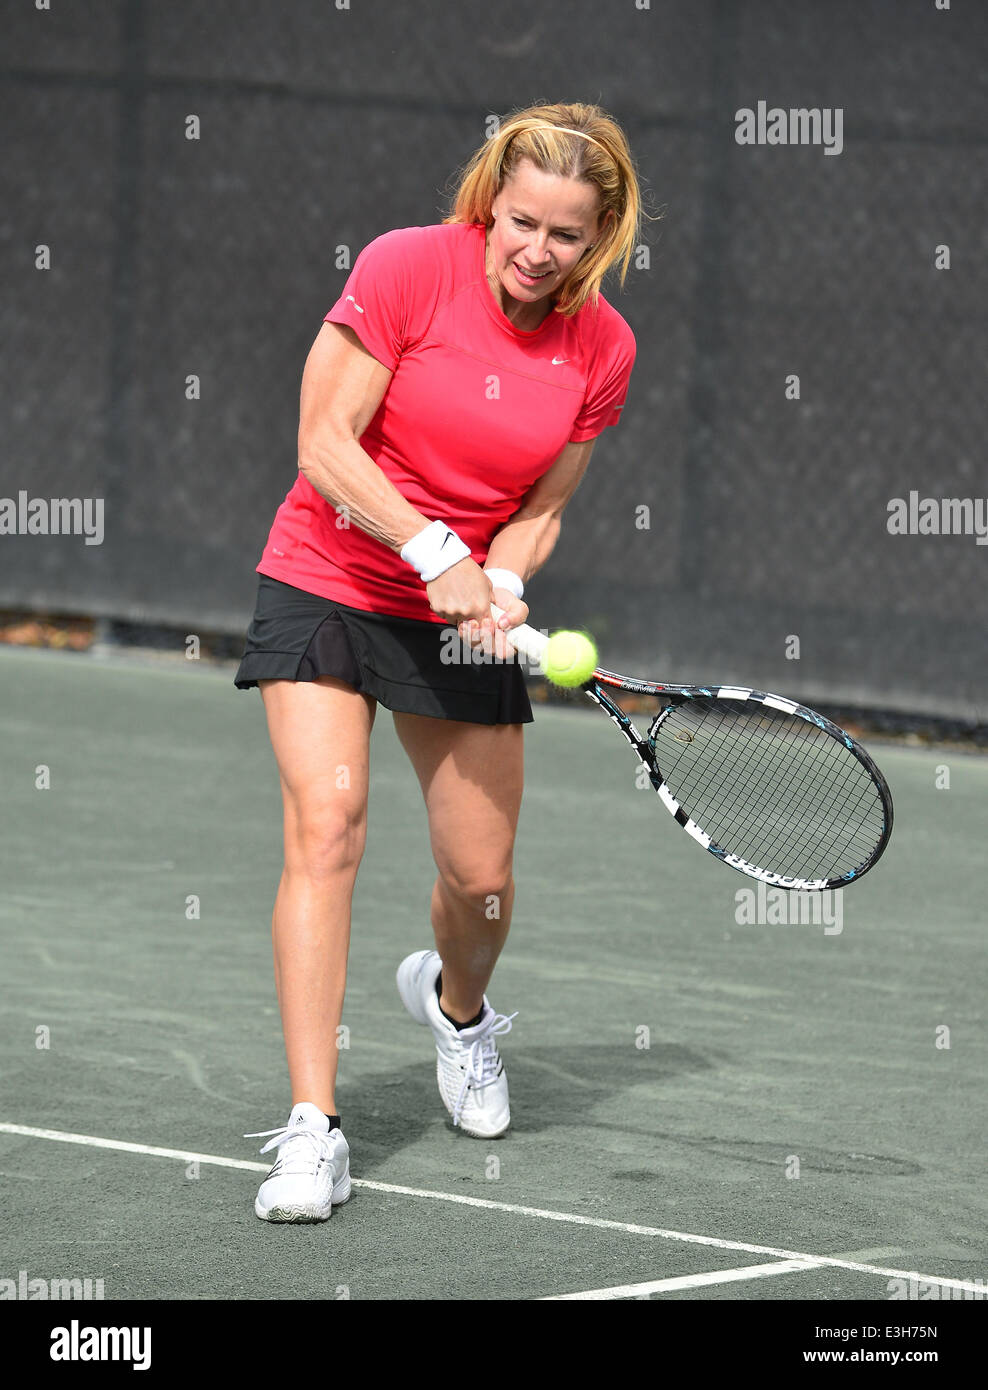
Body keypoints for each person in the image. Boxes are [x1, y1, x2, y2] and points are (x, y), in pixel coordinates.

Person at [235, 100, 643, 1223]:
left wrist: (500, 585)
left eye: (565, 234)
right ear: (490, 200)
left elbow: (544, 505)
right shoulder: (407, 268)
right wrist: (429, 548)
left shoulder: (600, 346)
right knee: (328, 819)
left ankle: (457, 1013)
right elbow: (323, 444)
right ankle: (314, 1130)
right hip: (331, 574)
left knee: (480, 877)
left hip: (460, 609)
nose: (534, 251)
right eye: (520, 221)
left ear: (599, 236)